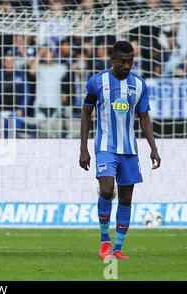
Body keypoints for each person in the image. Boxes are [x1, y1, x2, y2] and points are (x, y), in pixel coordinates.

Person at [79, 40, 161, 260]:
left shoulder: (139, 85)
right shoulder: (98, 82)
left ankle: (118, 248)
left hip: (129, 150)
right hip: (105, 147)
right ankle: (105, 241)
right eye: (122, 61)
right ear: (112, 60)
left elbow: (144, 118)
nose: (126, 65)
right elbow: (86, 114)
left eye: (130, 61)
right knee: (107, 190)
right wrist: (83, 149)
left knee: (125, 198)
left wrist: (153, 148)